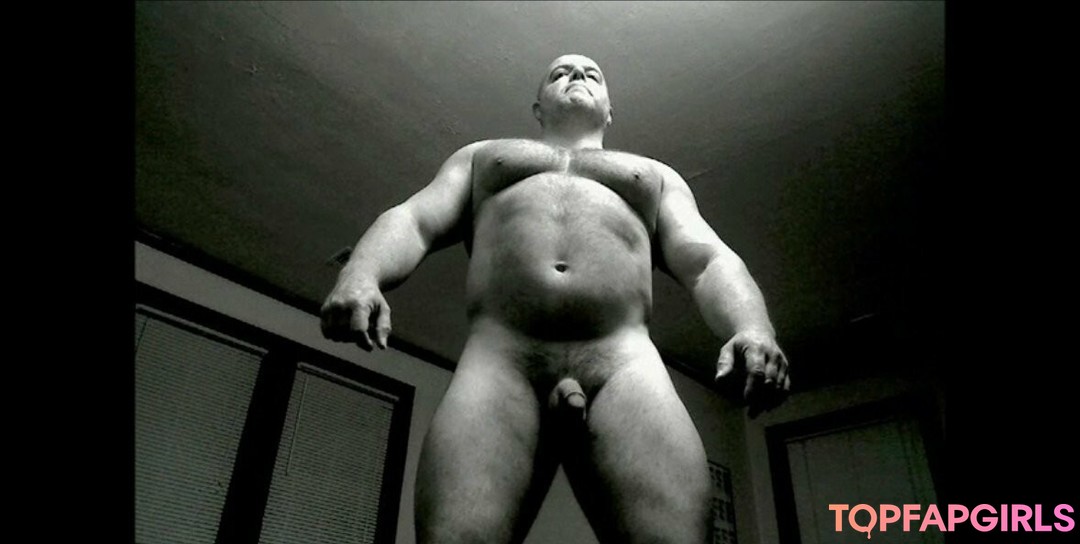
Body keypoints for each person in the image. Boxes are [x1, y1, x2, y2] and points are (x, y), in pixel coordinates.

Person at [321, 54, 790, 544]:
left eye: (592, 74)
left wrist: (753, 327)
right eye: (560, 73)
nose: (577, 76)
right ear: (537, 108)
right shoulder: (483, 158)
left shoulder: (652, 175)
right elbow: (415, 220)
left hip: (622, 364)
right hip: (502, 361)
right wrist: (361, 273)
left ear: (609, 110)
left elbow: (707, 259)